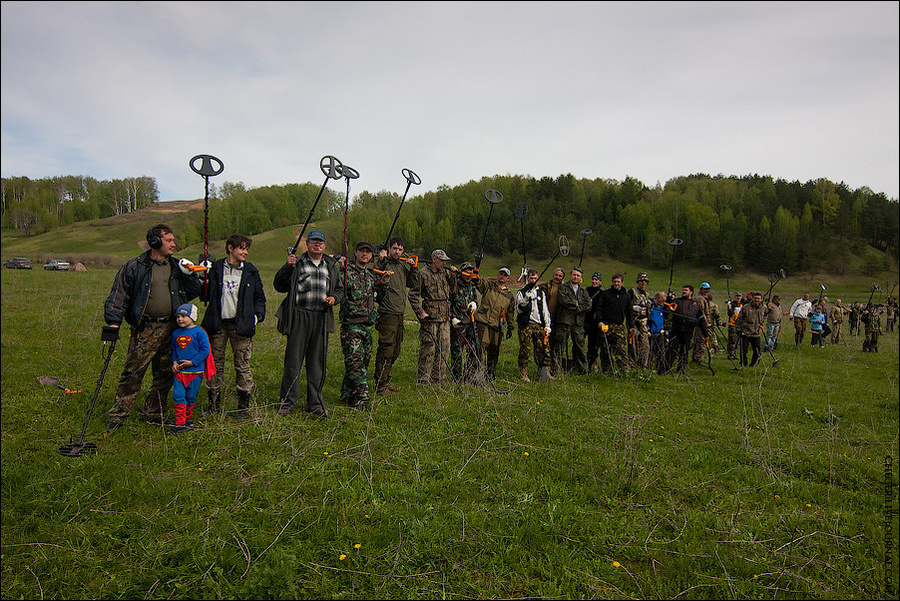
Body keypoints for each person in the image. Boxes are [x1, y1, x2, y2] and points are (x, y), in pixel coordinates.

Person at [104, 223, 203, 432]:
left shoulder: (177, 266)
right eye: (169, 240)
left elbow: (195, 291)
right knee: (133, 373)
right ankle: (118, 415)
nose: (173, 245)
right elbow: (119, 295)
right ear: (155, 242)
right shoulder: (135, 266)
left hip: (172, 328)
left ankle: (154, 413)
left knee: (166, 373)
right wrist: (113, 322)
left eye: (173, 240)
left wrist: (190, 273)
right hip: (146, 328)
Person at [273, 229, 344, 418]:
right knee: (293, 362)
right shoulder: (297, 263)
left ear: (325, 246)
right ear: (308, 244)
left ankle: (315, 403)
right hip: (299, 316)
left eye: (321, 242)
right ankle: (287, 402)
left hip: (321, 317)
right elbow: (279, 286)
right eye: (313, 241)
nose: (317, 245)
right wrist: (286, 267)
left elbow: (340, 290)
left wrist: (334, 299)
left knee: (317, 363)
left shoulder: (330, 265)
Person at [200, 234, 266, 420]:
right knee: (215, 365)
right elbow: (203, 294)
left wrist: (257, 316)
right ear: (230, 248)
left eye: (246, 249)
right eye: (241, 248)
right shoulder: (215, 269)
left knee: (243, 365)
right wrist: (201, 275)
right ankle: (213, 404)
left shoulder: (251, 271)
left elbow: (259, 297)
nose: (245, 252)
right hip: (217, 325)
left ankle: (243, 406)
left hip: (242, 326)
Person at [338, 241, 383, 410]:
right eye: (361, 251)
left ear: (371, 256)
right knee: (355, 363)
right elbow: (335, 288)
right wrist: (340, 267)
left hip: (367, 326)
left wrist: (384, 284)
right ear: (355, 253)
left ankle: (347, 393)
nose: (365, 254)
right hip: (351, 326)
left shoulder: (371, 275)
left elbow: (380, 298)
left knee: (362, 362)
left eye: (368, 252)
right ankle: (361, 398)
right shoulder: (345, 273)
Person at [372, 236, 419, 396]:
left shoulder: (400, 266)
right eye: (395, 248)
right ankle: (380, 385)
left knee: (396, 350)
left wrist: (413, 268)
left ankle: (385, 378)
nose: (397, 252)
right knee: (386, 349)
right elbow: (374, 275)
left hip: (399, 313)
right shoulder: (383, 264)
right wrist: (381, 260)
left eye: (400, 249)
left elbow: (412, 283)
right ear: (389, 249)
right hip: (387, 312)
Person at [410, 249, 457, 386]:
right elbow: (413, 295)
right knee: (428, 347)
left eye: (445, 261)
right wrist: (421, 312)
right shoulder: (423, 274)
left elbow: (453, 291)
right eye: (442, 260)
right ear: (434, 259)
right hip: (430, 317)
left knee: (444, 347)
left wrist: (453, 276)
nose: (444, 263)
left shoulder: (445, 273)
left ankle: (438, 378)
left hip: (444, 317)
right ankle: (424, 378)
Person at [169, 303, 213, 434]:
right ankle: (180, 423)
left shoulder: (199, 332)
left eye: (184, 316)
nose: (180, 319)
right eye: (178, 317)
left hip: (195, 372)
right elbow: (175, 350)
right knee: (178, 395)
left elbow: (205, 350)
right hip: (180, 372)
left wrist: (192, 362)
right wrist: (174, 362)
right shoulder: (175, 333)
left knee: (190, 397)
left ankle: (187, 419)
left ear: (192, 317)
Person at [473, 266, 516, 382]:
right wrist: (475, 274)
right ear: (497, 276)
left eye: (505, 275)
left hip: (497, 326)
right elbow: (478, 282)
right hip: (483, 322)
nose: (502, 276)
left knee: (493, 352)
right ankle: (473, 374)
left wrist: (510, 326)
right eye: (500, 274)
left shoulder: (510, 295)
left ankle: (490, 374)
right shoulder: (489, 286)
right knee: (479, 349)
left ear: (508, 279)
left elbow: (510, 312)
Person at [552, 266, 593, 375]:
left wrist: (577, 308)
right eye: (574, 275)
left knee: (580, 347)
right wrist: (577, 304)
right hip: (564, 322)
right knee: (559, 346)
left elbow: (588, 305)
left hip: (578, 323)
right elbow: (563, 300)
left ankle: (583, 370)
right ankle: (555, 369)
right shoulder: (563, 288)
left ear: (581, 278)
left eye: (578, 276)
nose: (576, 277)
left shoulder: (583, 291)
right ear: (570, 276)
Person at [515, 268, 552, 382]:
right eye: (532, 278)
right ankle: (524, 373)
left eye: (536, 278)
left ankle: (545, 373)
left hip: (539, 325)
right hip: (526, 325)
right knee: (525, 349)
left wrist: (547, 324)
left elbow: (545, 310)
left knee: (543, 348)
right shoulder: (521, 292)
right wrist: (526, 299)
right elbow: (519, 309)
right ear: (527, 279)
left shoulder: (541, 293)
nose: (534, 280)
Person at [450, 262, 483, 385]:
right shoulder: (454, 284)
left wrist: (474, 304)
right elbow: (448, 302)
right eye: (467, 272)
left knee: (475, 349)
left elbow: (475, 300)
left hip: (470, 322)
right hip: (458, 323)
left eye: (471, 272)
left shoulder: (472, 286)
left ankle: (470, 375)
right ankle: (457, 378)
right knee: (457, 352)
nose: (469, 275)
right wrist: (452, 318)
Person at [665, 285, 707, 375]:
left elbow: (701, 320)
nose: (683, 291)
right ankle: (664, 370)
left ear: (691, 292)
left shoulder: (696, 305)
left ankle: (681, 371)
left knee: (684, 352)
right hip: (676, 330)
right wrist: (668, 300)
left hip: (688, 331)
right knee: (672, 350)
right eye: (683, 290)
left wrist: (705, 334)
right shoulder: (676, 301)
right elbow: (667, 308)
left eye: (686, 290)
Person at [597, 273, 634, 374]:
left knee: (621, 349)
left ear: (622, 282)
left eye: (618, 282)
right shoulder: (605, 294)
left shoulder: (626, 296)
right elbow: (599, 308)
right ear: (612, 282)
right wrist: (600, 321)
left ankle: (623, 371)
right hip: (606, 325)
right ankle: (607, 370)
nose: (616, 283)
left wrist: (631, 326)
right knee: (605, 350)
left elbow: (629, 313)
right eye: (614, 282)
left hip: (619, 326)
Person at [539, 268, 566, 377]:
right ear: (553, 275)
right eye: (556, 275)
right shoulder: (544, 286)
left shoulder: (564, 289)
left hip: (558, 321)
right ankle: (544, 369)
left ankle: (554, 369)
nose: (557, 277)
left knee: (556, 345)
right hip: (544, 320)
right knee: (544, 345)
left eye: (560, 276)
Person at [628, 272, 653, 368]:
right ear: (638, 281)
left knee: (645, 345)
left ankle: (643, 365)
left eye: (645, 281)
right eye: (641, 281)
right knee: (633, 345)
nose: (643, 283)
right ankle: (632, 365)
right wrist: (633, 307)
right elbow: (626, 305)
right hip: (634, 321)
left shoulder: (647, 294)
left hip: (644, 323)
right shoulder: (632, 292)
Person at [735, 291, 765, 367]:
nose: (756, 300)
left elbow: (766, 315)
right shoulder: (746, 307)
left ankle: (753, 364)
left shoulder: (763, 308)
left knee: (757, 351)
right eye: (755, 298)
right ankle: (743, 364)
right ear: (752, 298)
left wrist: (761, 322)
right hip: (745, 332)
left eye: (758, 299)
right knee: (743, 350)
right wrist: (738, 330)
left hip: (756, 333)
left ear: (761, 299)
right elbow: (739, 319)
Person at [585, 272, 603, 373]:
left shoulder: (602, 293)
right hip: (585, 320)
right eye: (593, 279)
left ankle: (593, 363)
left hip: (595, 322)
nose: (594, 282)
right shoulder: (586, 290)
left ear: (600, 282)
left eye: (597, 280)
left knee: (593, 345)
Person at [692, 282, 713, 363]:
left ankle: (698, 357)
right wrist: (706, 322)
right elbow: (702, 312)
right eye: (705, 289)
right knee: (700, 340)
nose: (707, 291)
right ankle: (698, 358)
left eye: (708, 289)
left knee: (703, 339)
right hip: (701, 322)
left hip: (705, 320)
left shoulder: (705, 298)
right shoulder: (700, 299)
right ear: (701, 289)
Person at [648, 291, 669, 374]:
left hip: (659, 332)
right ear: (656, 298)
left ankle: (658, 369)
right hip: (651, 333)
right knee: (650, 353)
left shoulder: (660, 308)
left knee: (660, 352)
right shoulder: (650, 307)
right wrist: (648, 330)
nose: (661, 303)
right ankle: (648, 368)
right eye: (660, 301)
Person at [726, 291, 744, 359]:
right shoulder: (731, 304)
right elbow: (729, 314)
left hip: (739, 325)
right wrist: (730, 307)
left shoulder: (742, 305)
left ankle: (734, 354)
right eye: (737, 296)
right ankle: (730, 354)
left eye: (739, 296)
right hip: (732, 324)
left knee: (737, 340)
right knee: (732, 340)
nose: (738, 297)